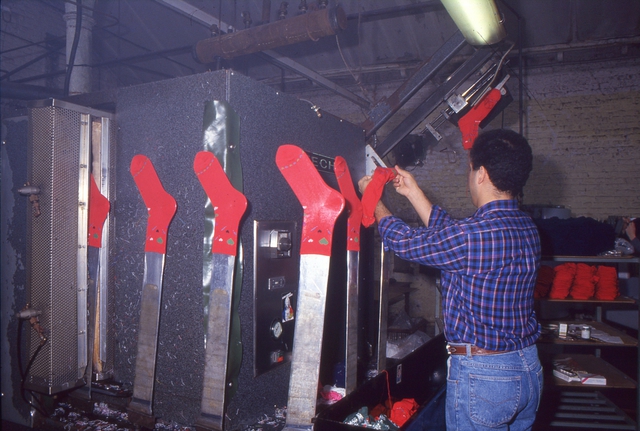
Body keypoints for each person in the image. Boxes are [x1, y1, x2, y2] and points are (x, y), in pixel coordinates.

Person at [359, 129, 543, 430]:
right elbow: (451, 237)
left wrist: (375, 202)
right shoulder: (525, 226)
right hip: (527, 368)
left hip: (485, 378)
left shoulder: (475, 237)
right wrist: (413, 193)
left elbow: (406, 243)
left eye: (471, 169)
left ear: (481, 173)